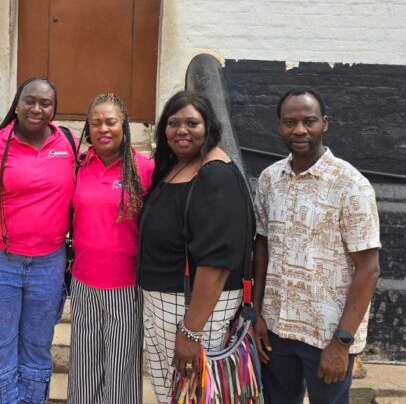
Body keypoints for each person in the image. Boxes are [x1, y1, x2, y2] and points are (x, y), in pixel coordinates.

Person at [253, 88, 381, 404]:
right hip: (277, 331)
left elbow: (369, 267)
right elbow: (262, 247)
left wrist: (342, 343)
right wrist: (257, 314)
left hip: (327, 336)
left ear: (325, 123)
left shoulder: (351, 184)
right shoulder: (269, 179)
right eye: (290, 122)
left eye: (309, 121)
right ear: (278, 127)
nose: (299, 130)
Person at [0, 77, 76, 404]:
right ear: (17, 103)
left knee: (38, 348)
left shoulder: (68, 143)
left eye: (46, 103)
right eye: (30, 101)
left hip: (49, 264)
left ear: (55, 109)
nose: (37, 109)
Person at [138, 90, 249, 404]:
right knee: (173, 395)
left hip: (191, 309)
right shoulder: (176, 166)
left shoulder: (214, 176)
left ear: (208, 127)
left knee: (196, 395)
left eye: (192, 123)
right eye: (173, 123)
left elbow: (215, 264)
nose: (181, 130)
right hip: (165, 303)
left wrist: (190, 332)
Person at [68, 93, 154, 404]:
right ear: (87, 129)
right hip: (83, 282)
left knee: (119, 369)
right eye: (95, 123)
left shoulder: (144, 169)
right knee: (83, 365)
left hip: (125, 286)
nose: (103, 129)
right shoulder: (79, 166)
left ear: (124, 125)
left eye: (111, 122)